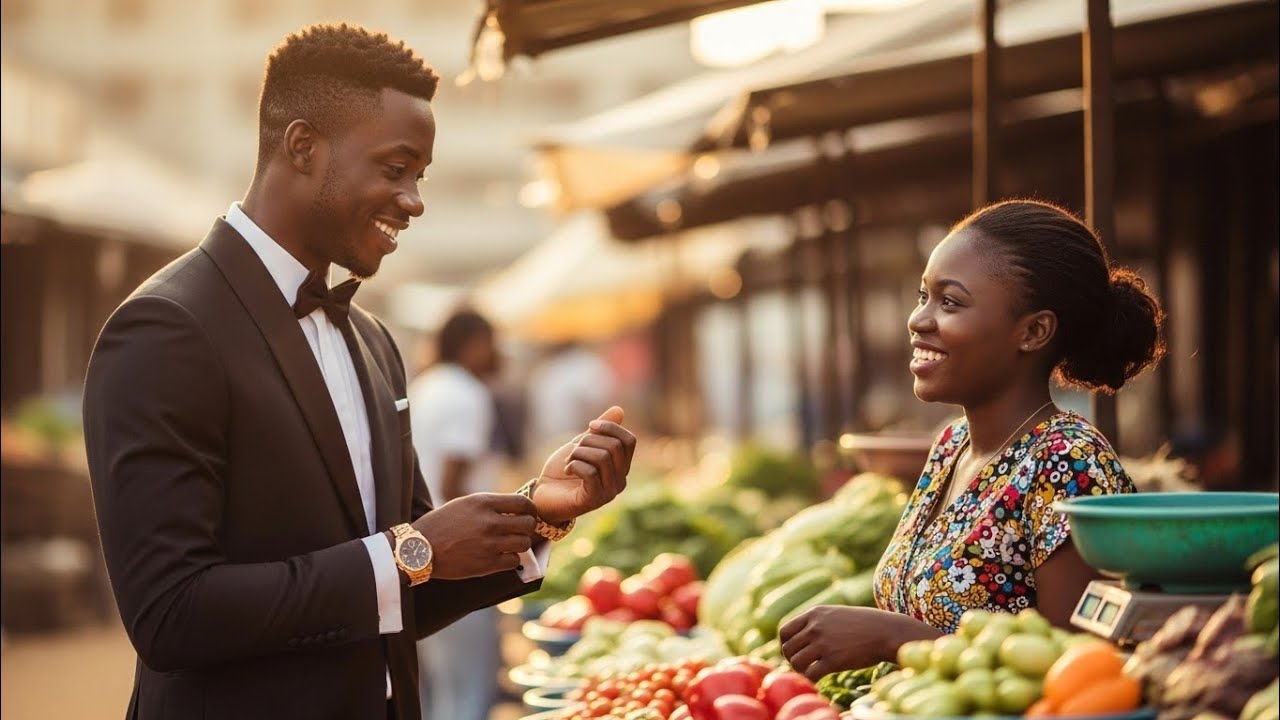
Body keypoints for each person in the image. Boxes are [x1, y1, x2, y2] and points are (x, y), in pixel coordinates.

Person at [81, 24, 637, 720]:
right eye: (395, 167)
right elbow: (170, 613)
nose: (414, 200)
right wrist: (410, 552)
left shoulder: (372, 342)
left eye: (420, 176)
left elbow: (404, 581)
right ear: (303, 146)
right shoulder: (165, 329)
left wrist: (539, 512)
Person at [780, 199, 1165, 680]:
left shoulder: (1069, 463)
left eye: (950, 302)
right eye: (924, 296)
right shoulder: (952, 445)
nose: (918, 320)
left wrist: (890, 638)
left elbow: (1076, 671)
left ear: (1033, 331)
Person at [406, 308, 505, 720]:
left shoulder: (426, 384)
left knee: (434, 693)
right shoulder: (466, 392)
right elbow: (452, 484)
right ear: (473, 343)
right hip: (457, 555)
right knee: (468, 692)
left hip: (415, 550)